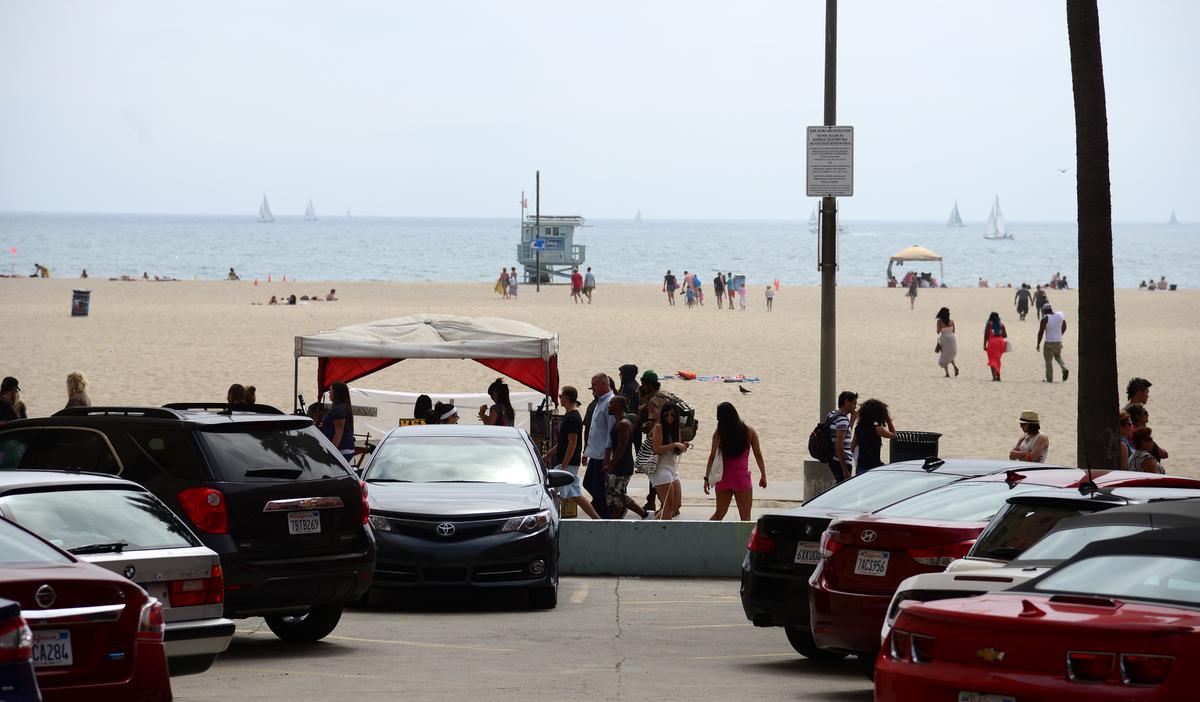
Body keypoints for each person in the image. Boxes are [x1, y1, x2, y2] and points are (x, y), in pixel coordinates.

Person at [543, 386, 600, 519]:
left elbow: (572, 443)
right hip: (567, 461)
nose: (559, 399)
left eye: (560, 396)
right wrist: (548, 455)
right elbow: (563, 442)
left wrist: (563, 465)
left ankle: (554, 519)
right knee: (574, 494)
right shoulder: (570, 416)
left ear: (567, 398)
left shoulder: (572, 418)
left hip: (567, 462)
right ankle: (597, 519)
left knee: (556, 492)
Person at [703, 402, 766, 521]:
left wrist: (707, 478)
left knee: (719, 513)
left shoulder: (719, 434)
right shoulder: (749, 431)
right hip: (741, 478)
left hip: (723, 478)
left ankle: (705, 536)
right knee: (745, 517)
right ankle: (744, 540)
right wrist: (763, 474)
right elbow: (758, 454)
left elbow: (712, 457)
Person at [602, 396, 648, 520]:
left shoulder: (623, 424)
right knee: (615, 495)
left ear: (618, 406)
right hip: (619, 464)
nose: (608, 406)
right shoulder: (619, 422)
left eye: (611, 403)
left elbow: (621, 446)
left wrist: (611, 464)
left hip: (623, 465)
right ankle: (642, 514)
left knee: (618, 495)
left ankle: (615, 522)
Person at [582, 373, 615, 519]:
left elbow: (610, 432)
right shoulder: (599, 402)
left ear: (603, 384)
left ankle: (604, 517)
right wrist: (586, 451)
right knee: (588, 483)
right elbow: (593, 430)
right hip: (594, 452)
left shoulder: (611, 403)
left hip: (602, 454)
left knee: (598, 488)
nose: (592, 389)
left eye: (594, 385)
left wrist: (607, 456)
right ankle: (602, 512)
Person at [649, 402, 686, 520]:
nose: (669, 417)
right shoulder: (659, 427)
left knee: (676, 505)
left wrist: (682, 445)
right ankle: (665, 534)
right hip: (660, 469)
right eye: (666, 415)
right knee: (669, 507)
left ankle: (653, 527)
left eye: (673, 415)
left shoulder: (676, 429)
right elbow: (656, 449)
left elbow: (676, 451)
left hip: (672, 469)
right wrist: (674, 444)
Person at [852, 399, 897, 474]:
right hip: (874, 467)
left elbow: (852, 447)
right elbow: (894, 435)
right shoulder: (877, 429)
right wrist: (888, 420)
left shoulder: (858, 427)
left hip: (861, 467)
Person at [824, 391, 858, 482]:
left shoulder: (832, 414)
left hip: (833, 459)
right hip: (842, 462)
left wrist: (853, 419)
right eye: (854, 403)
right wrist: (845, 470)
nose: (855, 407)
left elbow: (845, 433)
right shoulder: (842, 420)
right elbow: (839, 446)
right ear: (846, 402)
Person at [321, 381, 357, 461]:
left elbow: (339, 432)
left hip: (341, 450)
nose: (329, 392)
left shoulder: (339, 409)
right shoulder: (341, 408)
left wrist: (331, 452)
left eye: (331, 390)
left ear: (337, 393)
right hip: (342, 448)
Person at [1036, 303, 1069, 383]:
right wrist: (1060, 334)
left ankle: (1049, 378)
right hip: (1058, 342)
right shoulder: (1059, 316)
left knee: (1048, 361)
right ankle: (1064, 368)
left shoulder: (1045, 319)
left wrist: (1038, 344)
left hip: (1049, 343)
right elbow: (1064, 325)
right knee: (1058, 356)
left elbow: (1040, 332)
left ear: (1045, 311)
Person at [935, 307, 959, 378]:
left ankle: (947, 374)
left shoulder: (939, 321)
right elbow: (954, 331)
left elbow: (938, 331)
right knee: (950, 354)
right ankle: (955, 367)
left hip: (944, 338)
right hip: (952, 339)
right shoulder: (952, 321)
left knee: (945, 355)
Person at [984, 312, 1008, 382]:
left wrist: (984, 345)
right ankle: (998, 376)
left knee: (992, 360)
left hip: (992, 343)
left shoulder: (989, 324)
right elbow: (1005, 335)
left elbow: (986, 334)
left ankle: (994, 377)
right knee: (997, 360)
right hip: (1001, 343)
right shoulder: (1002, 325)